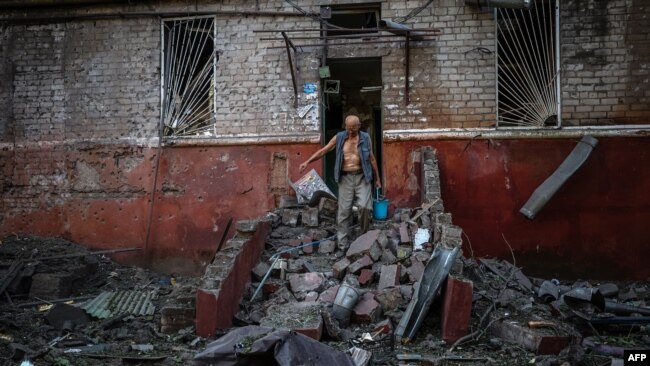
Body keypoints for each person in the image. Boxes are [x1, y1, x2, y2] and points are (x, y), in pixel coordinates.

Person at [299, 115, 381, 251]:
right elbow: (324, 150)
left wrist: (377, 179)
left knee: (365, 207)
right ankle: (343, 244)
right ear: (345, 126)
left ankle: (363, 237)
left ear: (359, 126)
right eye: (348, 128)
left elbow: (372, 158)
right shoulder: (340, 137)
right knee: (344, 212)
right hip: (345, 178)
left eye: (353, 129)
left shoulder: (366, 138)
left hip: (362, 177)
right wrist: (307, 162)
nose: (350, 132)